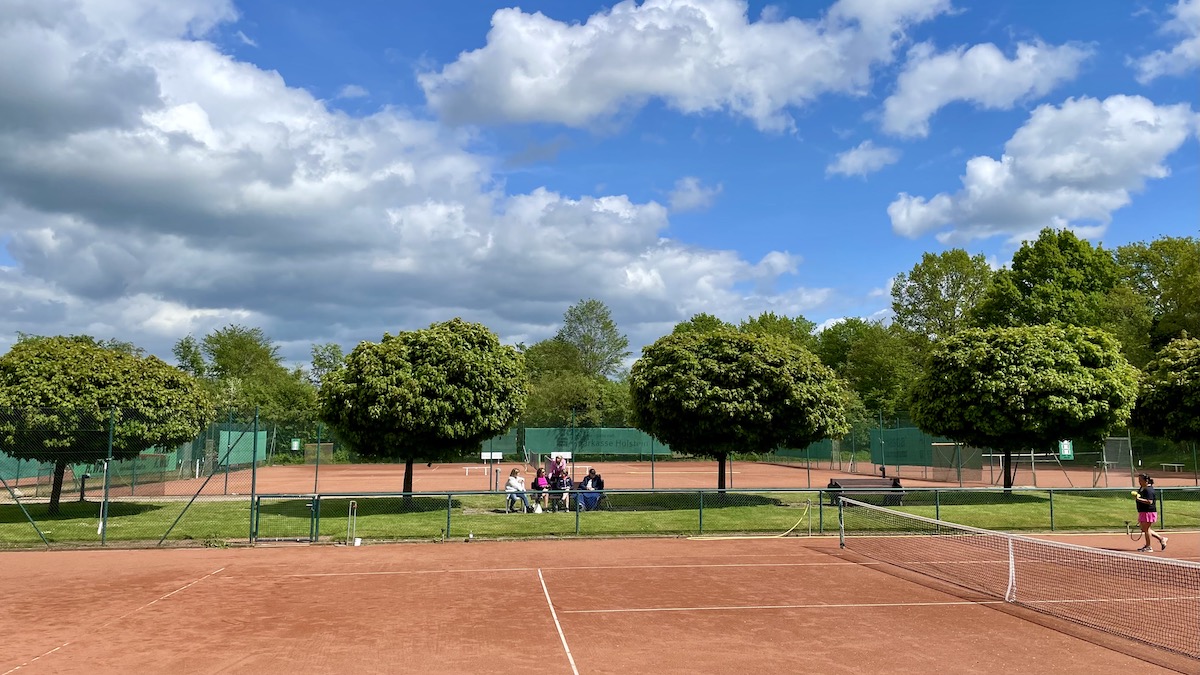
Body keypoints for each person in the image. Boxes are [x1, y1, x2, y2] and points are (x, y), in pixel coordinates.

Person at [1133, 473, 1167, 552]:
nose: (1139, 482)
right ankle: (1162, 539)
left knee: (1146, 529)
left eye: (1141, 480)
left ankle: (1149, 547)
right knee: (1144, 528)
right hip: (1142, 511)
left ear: (1146, 481)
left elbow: (1149, 501)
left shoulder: (1149, 490)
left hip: (1149, 512)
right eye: (1139, 480)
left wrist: (1138, 499)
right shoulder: (1142, 488)